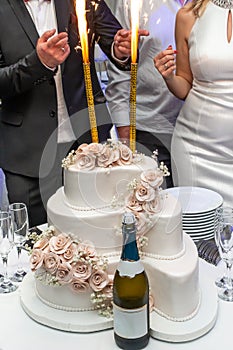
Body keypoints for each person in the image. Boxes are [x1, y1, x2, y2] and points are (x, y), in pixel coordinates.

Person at [0, 0, 148, 227]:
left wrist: (121, 49)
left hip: (89, 139)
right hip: (27, 153)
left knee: (99, 230)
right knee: (35, 243)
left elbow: (116, 41)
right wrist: (38, 64)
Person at [154, 0, 233, 206]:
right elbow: (185, 86)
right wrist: (169, 77)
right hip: (198, 150)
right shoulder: (188, 15)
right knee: (198, 232)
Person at [105, 0, 189, 188]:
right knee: (155, 210)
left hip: (205, 134)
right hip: (151, 131)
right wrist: (127, 141)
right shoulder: (133, 4)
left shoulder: (215, 5)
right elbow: (119, 71)